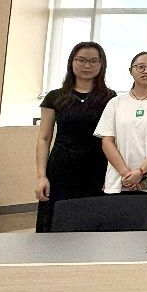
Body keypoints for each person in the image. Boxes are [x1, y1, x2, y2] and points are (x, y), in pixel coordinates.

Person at [34, 42, 116, 232]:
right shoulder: (55, 97)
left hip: (97, 168)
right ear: (72, 62)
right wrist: (41, 176)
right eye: (81, 60)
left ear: (101, 64)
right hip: (61, 168)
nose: (87, 65)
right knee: (56, 223)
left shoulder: (109, 97)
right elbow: (44, 138)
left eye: (93, 61)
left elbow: (112, 138)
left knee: (92, 224)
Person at [95, 51, 147, 229]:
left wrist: (141, 172)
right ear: (131, 70)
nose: (146, 71)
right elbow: (107, 141)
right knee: (117, 232)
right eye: (140, 67)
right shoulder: (116, 102)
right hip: (119, 179)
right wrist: (126, 173)